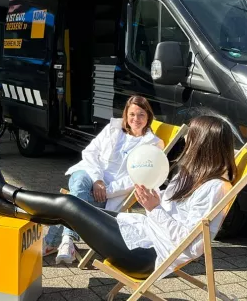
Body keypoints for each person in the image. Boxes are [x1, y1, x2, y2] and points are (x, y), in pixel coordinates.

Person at [0, 115, 236, 279]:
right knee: (70, 215)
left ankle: (3, 190)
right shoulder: (191, 175)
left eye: (191, 140)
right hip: (141, 232)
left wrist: (154, 208)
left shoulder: (214, 187)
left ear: (203, 146)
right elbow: (169, 208)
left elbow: (193, 243)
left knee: (69, 205)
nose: (187, 144)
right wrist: (153, 194)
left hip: (148, 256)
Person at [44, 95, 164, 264]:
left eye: (141, 115)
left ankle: (56, 242)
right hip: (90, 174)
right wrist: (97, 180)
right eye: (132, 114)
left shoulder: (153, 144)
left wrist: (105, 190)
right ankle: (67, 240)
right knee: (79, 183)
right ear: (126, 115)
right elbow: (90, 152)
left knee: (71, 199)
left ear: (148, 117)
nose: (136, 119)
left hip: (109, 193)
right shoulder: (113, 129)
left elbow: (137, 178)